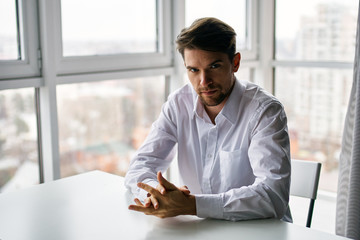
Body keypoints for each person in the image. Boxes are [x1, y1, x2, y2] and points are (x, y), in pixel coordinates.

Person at [125, 17, 292, 222]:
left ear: (235, 63)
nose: (204, 82)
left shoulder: (265, 111)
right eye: (193, 70)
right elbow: (141, 165)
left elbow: (272, 196)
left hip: (261, 230)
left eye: (214, 67)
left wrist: (194, 205)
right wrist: (156, 196)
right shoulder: (178, 103)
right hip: (201, 229)